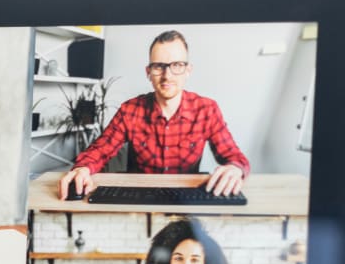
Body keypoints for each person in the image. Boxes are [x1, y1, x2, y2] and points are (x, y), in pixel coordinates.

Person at [59, 29, 250, 199]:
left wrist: (234, 169)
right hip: (138, 201)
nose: (167, 75)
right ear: (148, 72)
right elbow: (100, 151)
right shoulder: (130, 110)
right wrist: (82, 169)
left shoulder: (207, 110)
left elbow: (235, 158)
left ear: (187, 70)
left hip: (184, 201)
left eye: (176, 65)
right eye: (159, 66)